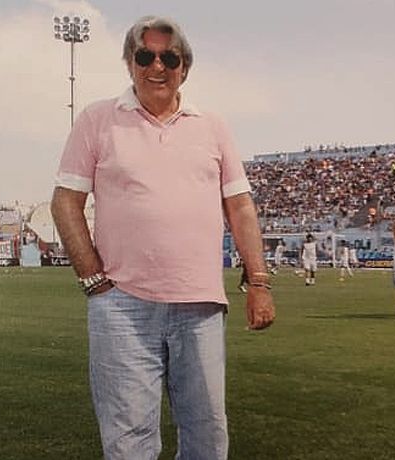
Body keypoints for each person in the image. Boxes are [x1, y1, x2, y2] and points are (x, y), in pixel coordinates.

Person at [50, 16, 274, 460]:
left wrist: (260, 282)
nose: (158, 66)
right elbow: (64, 202)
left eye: (169, 57)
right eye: (145, 56)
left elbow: (240, 206)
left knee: (208, 439)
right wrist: (93, 280)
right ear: (130, 64)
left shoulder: (212, 125)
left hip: (201, 308)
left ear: (184, 67)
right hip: (123, 309)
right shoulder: (98, 119)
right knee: (129, 443)